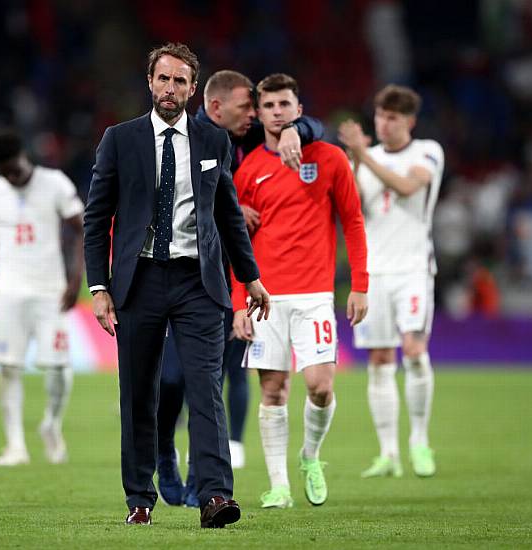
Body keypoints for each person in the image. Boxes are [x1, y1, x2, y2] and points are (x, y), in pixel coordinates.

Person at [84, 42, 270, 529]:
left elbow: (228, 215)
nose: (171, 89)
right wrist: (98, 288)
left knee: (206, 388)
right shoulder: (119, 139)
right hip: (138, 281)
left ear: (192, 88)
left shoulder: (213, 143)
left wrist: (250, 278)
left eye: (180, 81)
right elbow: (96, 217)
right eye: (163, 79)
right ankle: (139, 499)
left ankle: (214, 496)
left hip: (198, 281)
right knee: (138, 392)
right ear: (150, 82)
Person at [156, 69, 326, 507]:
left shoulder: (244, 144)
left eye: (259, 107)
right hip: (176, 276)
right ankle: (163, 452)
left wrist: (294, 129)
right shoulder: (182, 139)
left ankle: (200, 480)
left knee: (208, 383)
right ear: (215, 108)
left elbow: (316, 128)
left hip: (223, 284)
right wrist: (228, 206)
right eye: (247, 107)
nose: (254, 114)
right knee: (172, 381)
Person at [231, 74, 368, 509]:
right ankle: (278, 486)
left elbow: (354, 222)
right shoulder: (249, 168)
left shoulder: (329, 159)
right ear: (260, 111)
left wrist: (360, 286)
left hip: (314, 297)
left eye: (284, 104)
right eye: (268, 105)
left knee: (319, 387)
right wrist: (239, 304)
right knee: (272, 391)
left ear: (298, 109)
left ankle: (310, 456)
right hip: (264, 299)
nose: (276, 112)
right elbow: (237, 243)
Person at [338, 84, 444, 478]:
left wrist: (362, 153)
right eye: (380, 116)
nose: (384, 124)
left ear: (410, 122)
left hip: (414, 268)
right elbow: (350, 206)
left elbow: (406, 187)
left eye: (392, 118)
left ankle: (419, 441)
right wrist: (356, 159)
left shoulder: (428, 151)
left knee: (414, 351)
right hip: (374, 272)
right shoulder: (367, 159)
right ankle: (388, 454)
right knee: (380, 361)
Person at [0, 133, 84, 466]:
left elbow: (81, 228)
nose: (12, 177)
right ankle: (15, 445)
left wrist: (76, 275)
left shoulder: (55, 183)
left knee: (60, 367)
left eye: (15, 170)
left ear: (25, 157)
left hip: (51, 290)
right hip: (8, 292)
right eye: (5, 173)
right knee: (8, 367)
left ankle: (52, 423)